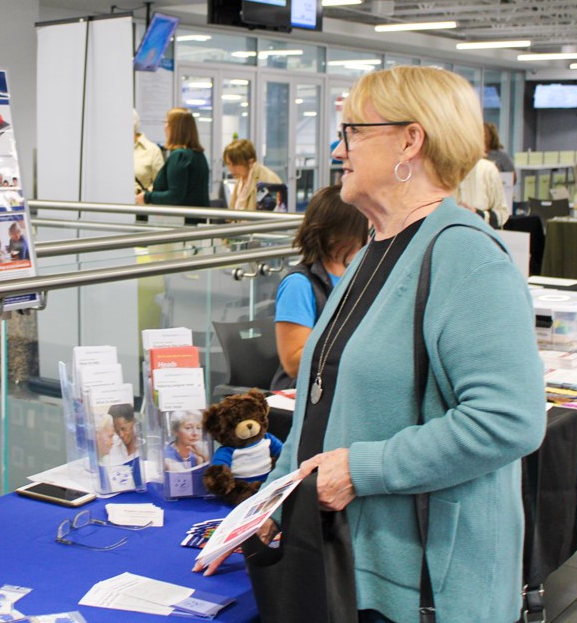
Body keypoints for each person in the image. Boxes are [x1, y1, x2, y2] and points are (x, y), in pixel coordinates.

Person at [195, 66, 545, 623]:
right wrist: (273, 506)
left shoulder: (466, 258)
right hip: (347, 564)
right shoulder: (373, 252)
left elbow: (509, 419)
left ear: (411, 139)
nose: (339, 148)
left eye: (353, 131)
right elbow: (321, 402)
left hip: (425, 586)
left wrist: (364, 469)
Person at [271, 185, 368, 390]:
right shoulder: (299, 285)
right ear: (340, 233)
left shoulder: (357, 275)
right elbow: (293, 362)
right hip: (306, 394)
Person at [135, 107, 210, 225]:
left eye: (167, 123)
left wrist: (147, 197)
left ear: (176, 128)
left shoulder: (179, 156)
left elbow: (174, 196)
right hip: (196, 222)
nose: (165, 127)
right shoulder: (198, 155)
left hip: (180, 224)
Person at [222, 139, 282, 211]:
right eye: (228, 164)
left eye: (235, 164)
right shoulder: (241, 177)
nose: (231, 169)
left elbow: (272, 217)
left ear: (250, 161)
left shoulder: (267, 180)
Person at [455, 157, 510, 228]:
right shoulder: (440, 170)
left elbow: (503, 213)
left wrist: (479, 215)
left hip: (480, 234)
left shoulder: (487, 169)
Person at [134, 108, 164, 193]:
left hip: (140, 203)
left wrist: (145, 196)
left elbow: (160, 184)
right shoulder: (111, 150)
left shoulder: (152, 150)